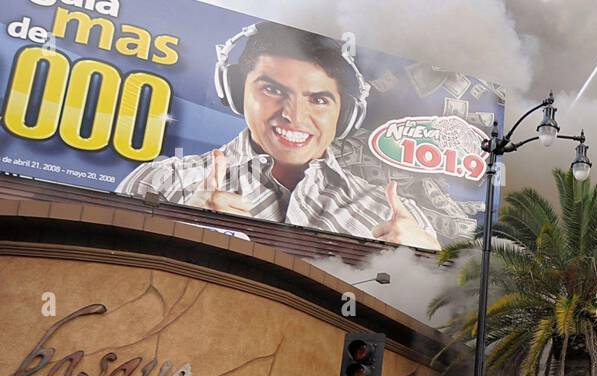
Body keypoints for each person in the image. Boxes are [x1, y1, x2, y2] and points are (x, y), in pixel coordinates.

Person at [116, 22, 464, 249]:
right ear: (236, 91)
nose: (293, 115)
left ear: (346, 113)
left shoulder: (393, 216)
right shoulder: (162, 181)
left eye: (318, 99)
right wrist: (179, 228)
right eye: (271, 89)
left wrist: (424, 262)